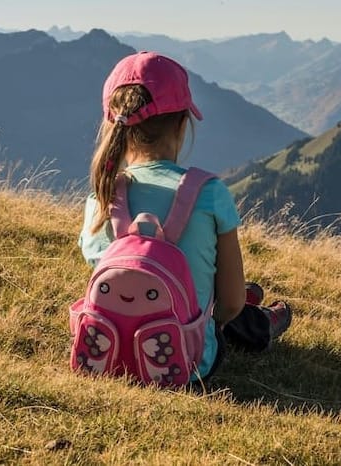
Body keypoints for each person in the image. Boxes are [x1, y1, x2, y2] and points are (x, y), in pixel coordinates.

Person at [78, 51, 291, 384]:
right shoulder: (209, 193)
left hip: (107, 354)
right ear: (182, 123)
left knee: (204, 292)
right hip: (189, 362)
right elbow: (230, 306)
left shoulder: (102, 197)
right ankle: (262, 322)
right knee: (227, 304)